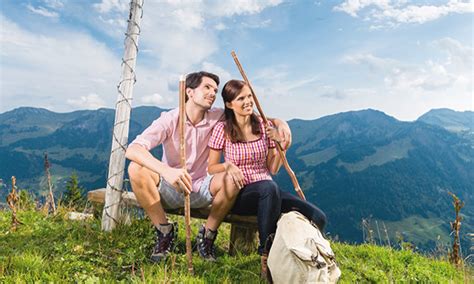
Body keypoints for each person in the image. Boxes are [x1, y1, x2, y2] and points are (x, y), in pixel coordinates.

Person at [126, 72, 291, 263]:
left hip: (203, 187)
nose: (213, 93)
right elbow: (133, 149)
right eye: (207, 87)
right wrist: (166, 171)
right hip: (171, 186)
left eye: (215, 89)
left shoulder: (217, 116)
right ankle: (164, 231)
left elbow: (248, 114)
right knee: (135, 169)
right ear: (189, 92)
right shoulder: (170, 119)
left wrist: (280, 123)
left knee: (232, 177)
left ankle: (207, 236)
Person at [207, 79, 326, 274]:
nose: (248, 102)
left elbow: (273, 168)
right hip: (238, 193)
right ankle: (266, 256)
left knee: (318, 217)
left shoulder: (263, 126)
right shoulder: (222, 129)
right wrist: (228, 166)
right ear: (229, 104)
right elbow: (211, 168)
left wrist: (281, 145)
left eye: (249, 96)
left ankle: (306, 259)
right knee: (268, 188)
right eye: (241, 98)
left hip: (267, 192)